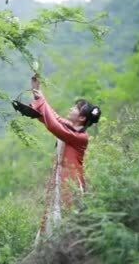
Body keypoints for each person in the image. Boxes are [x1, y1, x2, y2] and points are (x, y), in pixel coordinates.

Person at [28, 74, 101, 241]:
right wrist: (37, 92)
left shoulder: (80, 137)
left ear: (82, 118)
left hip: (70, 181)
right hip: (60, 178)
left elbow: (53, 124)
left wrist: (41, 102)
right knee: (55, 214)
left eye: (75, 108)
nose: (71, 109)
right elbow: (54, 117)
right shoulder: (71, 128)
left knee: (66, 216)